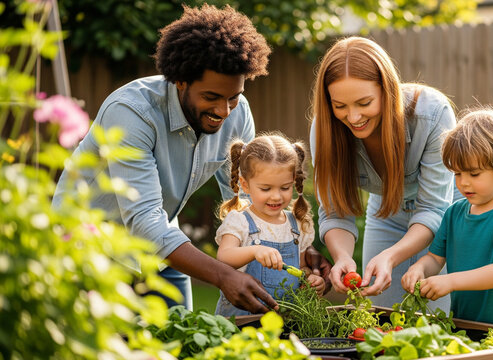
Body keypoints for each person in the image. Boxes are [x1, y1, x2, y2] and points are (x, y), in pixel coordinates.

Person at [52, 4, 329, 313]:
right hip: (87, 250)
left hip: (159, 248)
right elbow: (144, 220)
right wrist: (222, 274)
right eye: (211, 97)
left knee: (183, 344)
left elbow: (247, 199)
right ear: (180, 80)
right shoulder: (132, 113)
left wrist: (300, 250)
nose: (223, 112)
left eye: (233, 98)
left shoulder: (237, 115)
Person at [310, 36, 457, 310]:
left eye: (364, 103)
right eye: (340, 106)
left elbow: (433, 208)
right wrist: (342, 256)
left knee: (438, 317)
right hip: (387, 210)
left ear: (386, 90)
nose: (353, 117)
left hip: (446, 210)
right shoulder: (325, 128)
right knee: (381, 314)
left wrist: (390, 256)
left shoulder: (433, 114)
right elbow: (334, 210)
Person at [401, 106, 493, 329]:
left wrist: (451, 281)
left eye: (474, 174)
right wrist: (419, 269)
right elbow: (435, 259)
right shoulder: (454, 212)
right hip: (464, 326)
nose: (463, 182)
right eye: (457, 173)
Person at [214, 134, 325, 316]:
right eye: (266, 189)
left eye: (285, 187)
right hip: (243, 323)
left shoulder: (296, 224)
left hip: (285, 321)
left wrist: (311, 279)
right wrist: (254, 251)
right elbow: (224, 257)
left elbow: (301, 267)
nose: (276, 196)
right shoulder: (240, 221)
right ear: (245, 185)